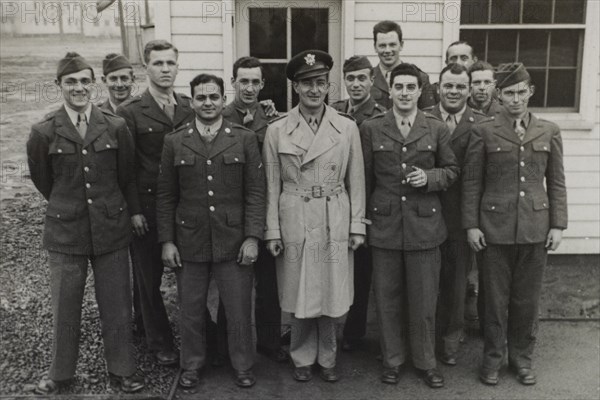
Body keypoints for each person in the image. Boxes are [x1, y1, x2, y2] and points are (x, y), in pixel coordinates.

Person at [27, 52, 144, 395]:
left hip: (110, 227)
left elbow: (126, 175)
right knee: (65, 306)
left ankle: (123, 370)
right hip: (66, 230)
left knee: (117, 304)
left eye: (84, 81)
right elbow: (43, 180)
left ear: (94, 84)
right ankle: (61, 374)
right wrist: (69, 205)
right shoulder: (44, 131)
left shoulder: (115, 126)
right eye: (71, 82)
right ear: (59, 86)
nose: (79, 88)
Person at [263, 50, 366, 383]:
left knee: (332, 293)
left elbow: (357, 180)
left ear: (328, 86)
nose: (314, 90)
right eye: (306, 84)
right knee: (299, 291)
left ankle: (328, 355)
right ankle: (301, 356)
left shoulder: (347, 127)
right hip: (296, 214)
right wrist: (273, 231)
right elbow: (271, 186)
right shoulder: (277, 131)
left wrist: (356, 226)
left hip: (333, 212)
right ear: (295, 87)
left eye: (320, 83)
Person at [462, 63, 568, 386]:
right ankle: (492, 359)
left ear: (531, 92)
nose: (516, 99)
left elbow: (557, 182)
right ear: (499, 95)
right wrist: (471, 225)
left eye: (521, 92)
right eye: (509, 93)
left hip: (536, 228)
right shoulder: (484, 130)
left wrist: (558, 225)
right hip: (494, 229)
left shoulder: (549, 131)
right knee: (494, 301)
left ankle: (522, 359)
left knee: (527, 300)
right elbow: (471, 183)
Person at [157, 73, 265, 389]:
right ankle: (191, 365)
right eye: (201, 98)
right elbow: (166, 195)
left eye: (213, 97)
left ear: (222, 99)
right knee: (190, 310)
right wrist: (167, 241)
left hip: (233, 240)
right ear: (191, 102)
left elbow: (256, 192)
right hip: (189, 239)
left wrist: (252, 237)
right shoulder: (174, 141)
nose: (208, 103)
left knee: (239, 309)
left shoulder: (244, 138)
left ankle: (243, 364)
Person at [360, 63, 459, 388]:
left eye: (410, 87)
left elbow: (451, 170)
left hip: (425, 228)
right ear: (390, 90)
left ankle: (426, 362)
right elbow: (364, 179)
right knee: (387, 300)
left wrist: (429, 178)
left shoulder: (435, 128)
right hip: (385, 226)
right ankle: (392, 361)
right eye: (398, 87)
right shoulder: (373, 128)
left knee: (424, 300)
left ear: (420, 91)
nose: (404, 93)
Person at [116, 40, 194, 367]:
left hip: (185, 207)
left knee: (188, 272)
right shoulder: (130, 112)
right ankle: (159, 340)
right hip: (147, 209)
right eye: (158, 63)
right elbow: (126, 169)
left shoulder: (189, 107)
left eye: (170, 63)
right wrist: (133, 210)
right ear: (145, 67)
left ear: (178, 66)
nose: (165, 69)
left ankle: (190, 335)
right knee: (148, 279)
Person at [220, 56, 289, 363]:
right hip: (231, 212)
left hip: (267, 209)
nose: (248, 88)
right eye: (242, 81)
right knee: (232, 283)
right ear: (233, 82)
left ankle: (270, 343)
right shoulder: (219, 117)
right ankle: (225, 346)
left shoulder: (273, 119)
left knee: (268, 282)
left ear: (263, 84)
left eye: (254, 82)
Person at [423, 63, 487, 366]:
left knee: (456, 282)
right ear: (438, 87)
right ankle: (424, 340)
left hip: (461, 216)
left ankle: (449, 341)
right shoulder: (423, 117)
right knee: (425, 282)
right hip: (424, 213)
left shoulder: (482, 124)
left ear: (469, 89)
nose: (454, 92)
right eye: (448, 85)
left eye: (461, 87)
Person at [331, 55, 385, 351]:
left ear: (372, 81)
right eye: (350, 78)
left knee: (362, 272)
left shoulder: (379, 116)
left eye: (362, 78)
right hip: (334, 201)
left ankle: (354, 332)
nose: (356, 84)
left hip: (367, 203)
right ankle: (323, 329)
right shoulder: (334, 111)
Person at [370, 20, 436, 110]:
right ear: (375, 47)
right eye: (382, 46)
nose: (387, 50)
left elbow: (427, 115)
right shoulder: (368, 79)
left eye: (392, 45)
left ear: (401, 45)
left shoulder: (420, 77)